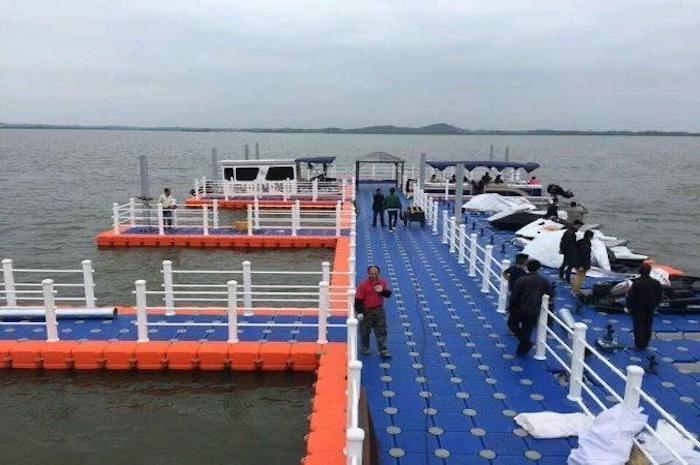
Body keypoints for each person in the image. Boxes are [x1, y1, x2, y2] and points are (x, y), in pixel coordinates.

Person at [507, 260, 552, 356]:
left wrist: (510, 307)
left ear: (527, 268)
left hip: (518, 308)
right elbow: (549, 295)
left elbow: (514, 296)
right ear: (538, 269)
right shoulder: (544, 281)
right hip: (534, 309)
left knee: (512, 324)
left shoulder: (521, 280)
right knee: (527, 329)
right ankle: (523, 348)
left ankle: (525, 343)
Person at [355, 265, 392, 357]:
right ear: (368, 273)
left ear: (378, 273)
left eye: (375, 273)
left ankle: (383, 349)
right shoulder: (363, 285)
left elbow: (388, 294)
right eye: (371, 274)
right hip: (366, 310)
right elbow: (358, 300)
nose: (373, 275)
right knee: (364, 331)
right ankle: (365, 348)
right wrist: (360, 312)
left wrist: (382, 291)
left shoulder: (382, 282)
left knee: (381, 330)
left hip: (379, 310)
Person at [626, 264, 663, 350]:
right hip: (650, 307)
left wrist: (628, 306)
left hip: (638, 308)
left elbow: (631, 296)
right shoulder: (656, 283)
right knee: (648, 325)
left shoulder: (637, 282)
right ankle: (645, 342)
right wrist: (656, 305)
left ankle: (639, 344)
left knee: (639, 325)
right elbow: (659, 296)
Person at [571, 230, 594, 294]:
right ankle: (576, 291)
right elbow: (585, 256)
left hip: (576, 262)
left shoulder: (579, 242)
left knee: (578, 276)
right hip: (582, 264)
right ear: (589, 237)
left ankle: (574, 289)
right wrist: (583, 265)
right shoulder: (586, 245)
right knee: (580, 278)